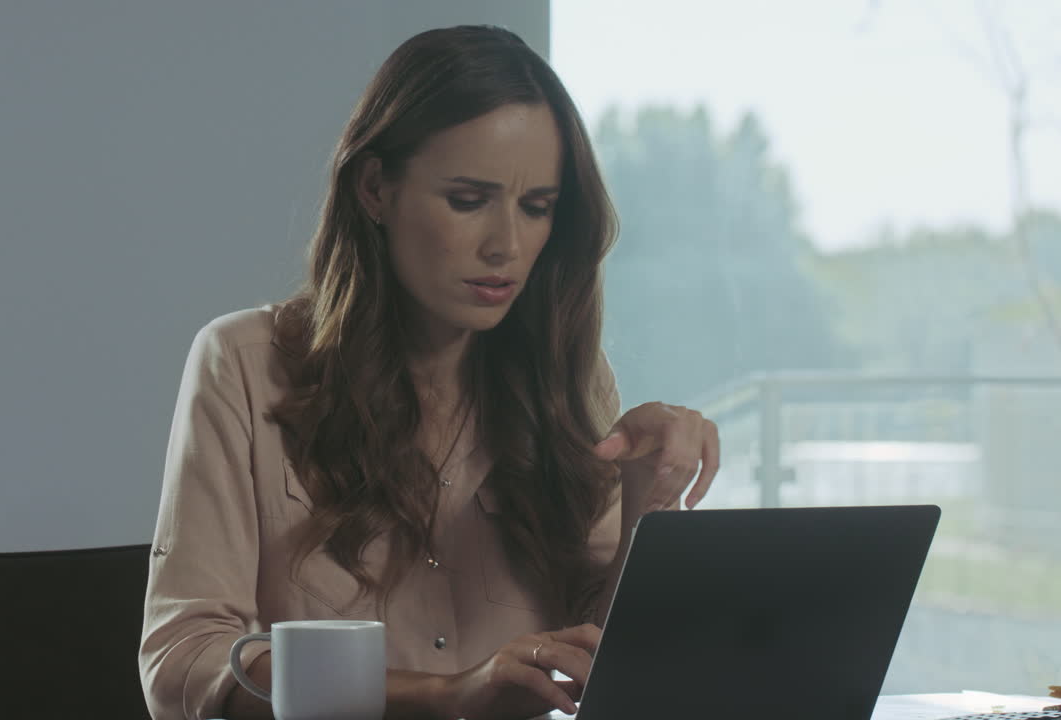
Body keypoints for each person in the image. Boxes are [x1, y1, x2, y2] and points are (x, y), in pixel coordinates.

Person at [139, 25, 720, 720]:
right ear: (376, 188)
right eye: (469, 200)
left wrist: (644, 509)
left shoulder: (572, 380)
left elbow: (604, 655)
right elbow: (183, 663)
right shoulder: (242, 363)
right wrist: (447, 696)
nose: (506, 245)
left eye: (536, 208)